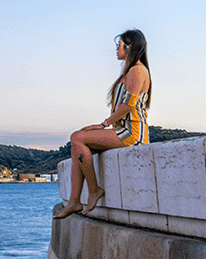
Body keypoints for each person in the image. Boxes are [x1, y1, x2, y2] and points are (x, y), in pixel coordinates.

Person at [54, 29, 152, 219]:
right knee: (77, 146)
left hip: (131, 132)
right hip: (121, 130)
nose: (117, 49)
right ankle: (74, 201)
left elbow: (127, 106)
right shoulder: (130, 71)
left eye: (119, 45)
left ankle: (94, 190)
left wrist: (102, 125)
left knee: (77, 137)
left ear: (129, 47)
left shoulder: (137, 71)